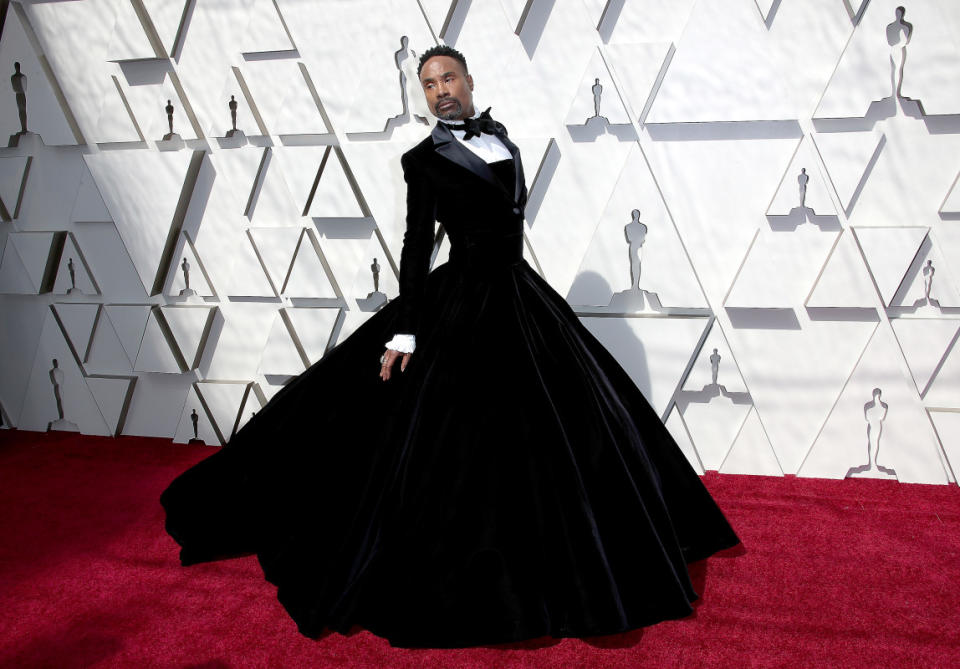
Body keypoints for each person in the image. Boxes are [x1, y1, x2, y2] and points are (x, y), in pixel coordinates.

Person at [160, 45, 739, 648]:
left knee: (562, 430)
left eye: (448, 77)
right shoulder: (423, 160)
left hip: (521, 294)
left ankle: (575, 555)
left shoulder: (506, 142)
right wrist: (407, 328)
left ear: (468, 79)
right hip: (461, 299)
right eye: (428, 83)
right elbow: (416, 245)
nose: (440, 89)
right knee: (450, 438)